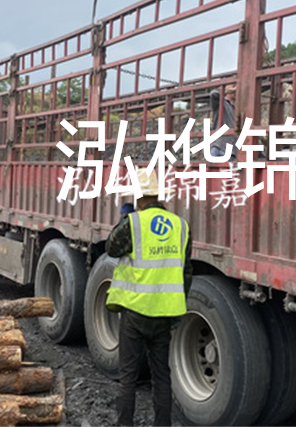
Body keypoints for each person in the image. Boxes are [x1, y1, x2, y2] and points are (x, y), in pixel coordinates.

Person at [105, 169, 193, 427]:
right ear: (158, 195)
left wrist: (124, 219)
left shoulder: (133, 223)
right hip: (164, 313)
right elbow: (186, 272)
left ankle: (125, 424)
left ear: (139, 197)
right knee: (162, 376)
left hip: (135, 312)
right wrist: (177, 304)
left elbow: (112, 248)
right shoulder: (180, 226)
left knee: (128, 377)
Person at [209, 84, 237, 159]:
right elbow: (213, 94)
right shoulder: (220, 102)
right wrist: (226, 90)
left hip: (229, 148)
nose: (235, 89)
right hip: (217, 145)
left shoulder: (235, 108)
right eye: (233, 85)